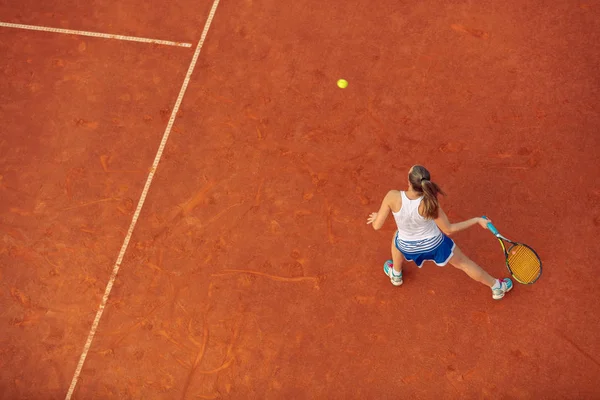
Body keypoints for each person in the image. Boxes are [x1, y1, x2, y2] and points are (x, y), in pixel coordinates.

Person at [366, 165, 512, 300]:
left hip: (407, 247)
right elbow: (449, 229)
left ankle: (396, 274)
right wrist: (476, 220)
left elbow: (377, 226)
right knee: (463, 263)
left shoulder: (392, 196)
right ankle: (497, 287)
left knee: (397, 237)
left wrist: (376, 218)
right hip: (435, 246)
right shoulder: (430, 203)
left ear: (408, 181)